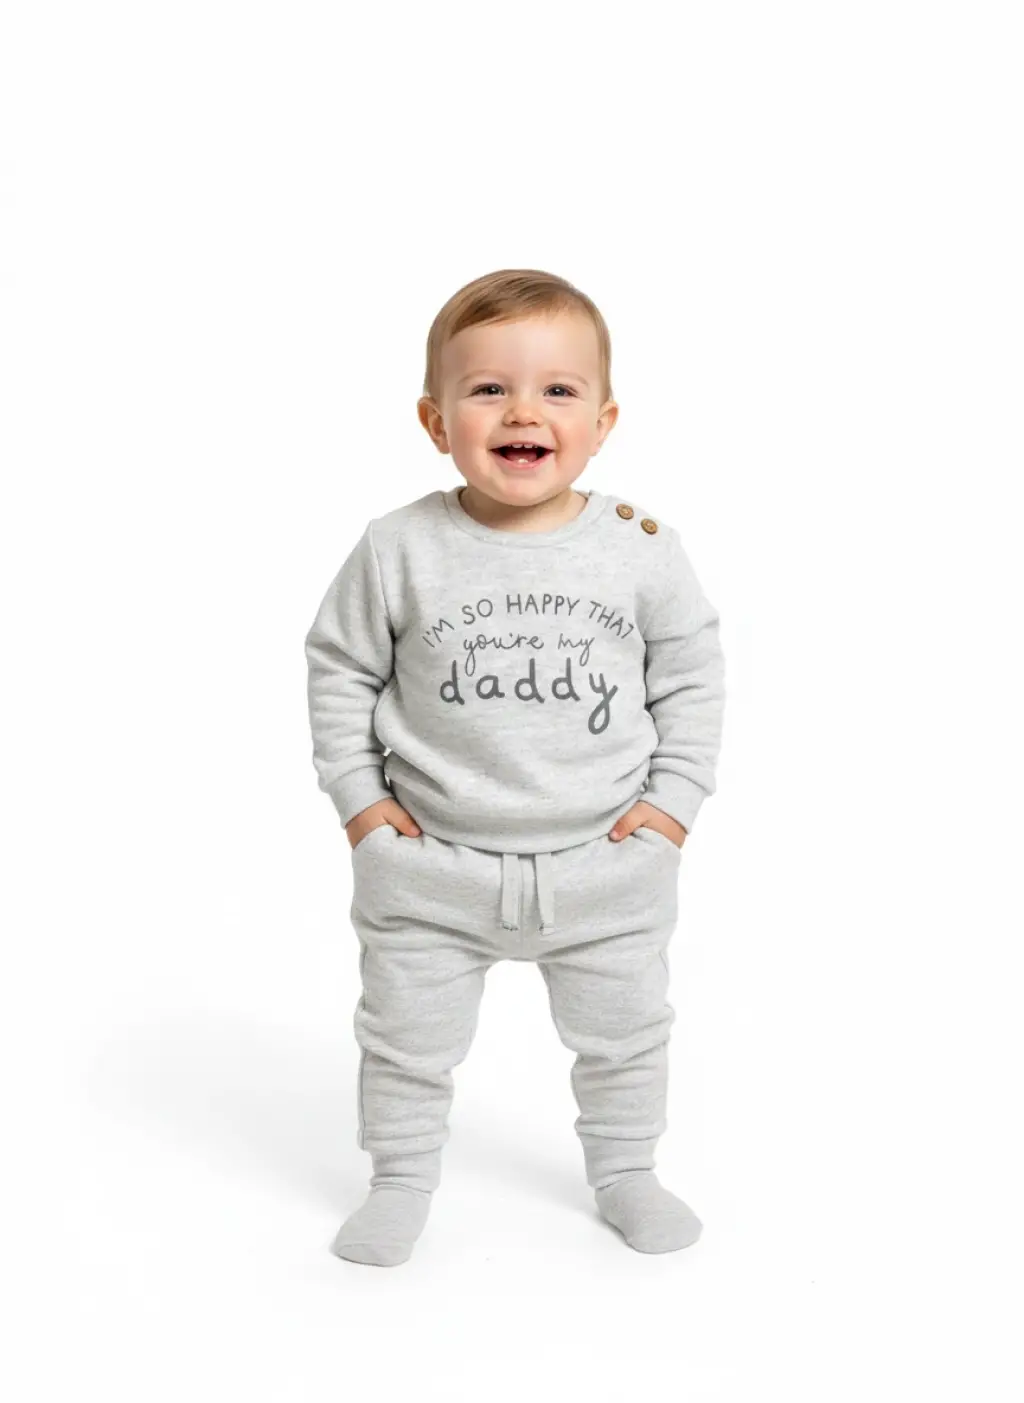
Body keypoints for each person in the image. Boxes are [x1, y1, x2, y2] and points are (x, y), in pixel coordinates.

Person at [304, 268, 726, 1266]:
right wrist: (360, 803)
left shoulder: (641, 548)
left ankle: (626, 1170)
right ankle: (399, 1177)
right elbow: (338, 668)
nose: (523, 411)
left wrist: (672, 807)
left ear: (602, 421)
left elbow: (693, 675)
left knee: (626, 1036)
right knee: (404, 1040)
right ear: (435, 419)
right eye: (488, 388)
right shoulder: (397, 547)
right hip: (430, 866)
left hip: (604, 864)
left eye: (557, 390)